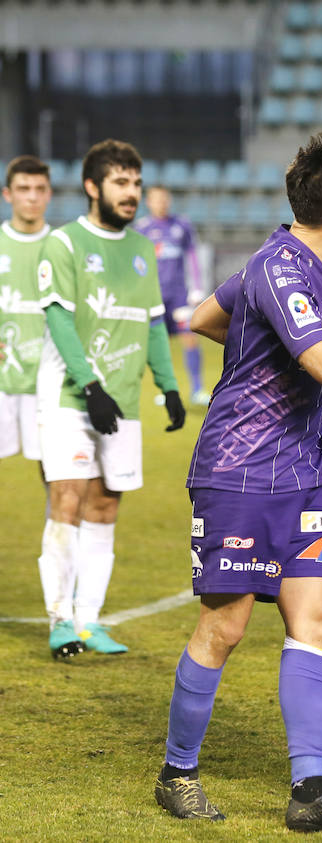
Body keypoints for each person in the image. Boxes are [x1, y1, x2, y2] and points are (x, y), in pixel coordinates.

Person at [154, 133, 322, 833]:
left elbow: (206, 317)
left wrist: (258, 358)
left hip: (304, 474)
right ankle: (177, 772)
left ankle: (311, 789)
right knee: (226, 625)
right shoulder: (284, 268)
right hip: (240, 472)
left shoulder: (295, 265)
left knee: (317, 620)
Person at [35, 139, 185, 659]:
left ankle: (89, 621)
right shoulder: (65, 243)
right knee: (68, 500)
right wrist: (90, 387)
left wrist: (168, 387)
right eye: (121, 183)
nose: (133, 193)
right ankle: (60, 623)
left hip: (121, 403)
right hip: (70, 400)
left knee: (104, 506)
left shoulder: (144, 250)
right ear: (93, 187)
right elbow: (58, 319)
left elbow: (153, 325)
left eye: (137, 184)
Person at [0, 157, 52, 469]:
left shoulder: (63, 248)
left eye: (39, 189)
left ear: (49, 194)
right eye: (23, 188)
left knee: (55, 473)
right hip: (1, 378)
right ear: (8, 194)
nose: (31, 196)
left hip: (48, 380)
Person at [134, 187, 208, 404]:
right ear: (148, 202)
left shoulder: (181, 225)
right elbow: (136, 264)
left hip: (179, 295)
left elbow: (193, 255)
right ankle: (167, 390)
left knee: (189, 337)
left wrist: (196, 287)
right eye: (157, 199)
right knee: (160, 344)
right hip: (154, 295)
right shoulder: (142, 229)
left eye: (164, 199)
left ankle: (197, 389)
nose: (161, 203)